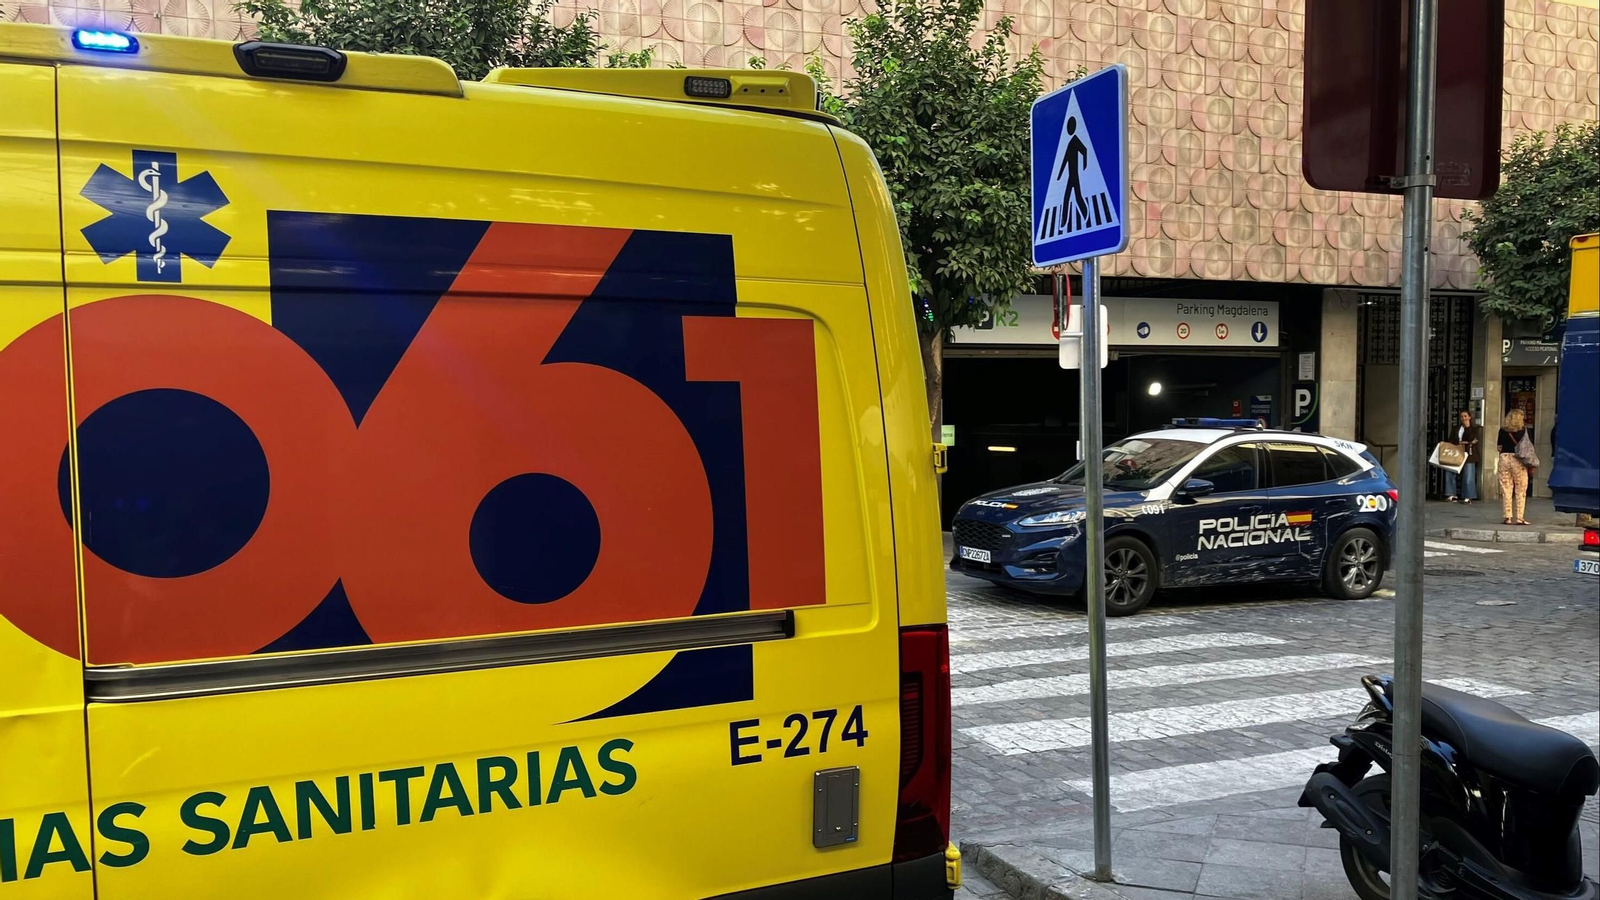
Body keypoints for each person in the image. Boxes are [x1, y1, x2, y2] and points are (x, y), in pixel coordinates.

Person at [1497, 409, 1533, 525]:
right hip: (1518, 460)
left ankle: (1507, 517)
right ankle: (1520, 517)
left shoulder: (1502, 430)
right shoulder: (1524, 431)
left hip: (1504, 458)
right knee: (1521, 489)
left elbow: (1499, 447)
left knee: (1506, 488)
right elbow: (1528, 447)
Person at [1444, 409, 1480, 504]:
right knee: (1450, 472)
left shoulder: (1474, 428)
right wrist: (1466, 442)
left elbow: (1473, 439)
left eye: (1465, 416)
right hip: (1455, 453)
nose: (1463, 418)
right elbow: (1451, 440)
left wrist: (1467, 427)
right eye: (1462, 416)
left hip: (1469, 454)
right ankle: (1451, 494)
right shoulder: (1456, 428)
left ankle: (1468, 496)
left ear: (1469, 417)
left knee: (1468, 475)